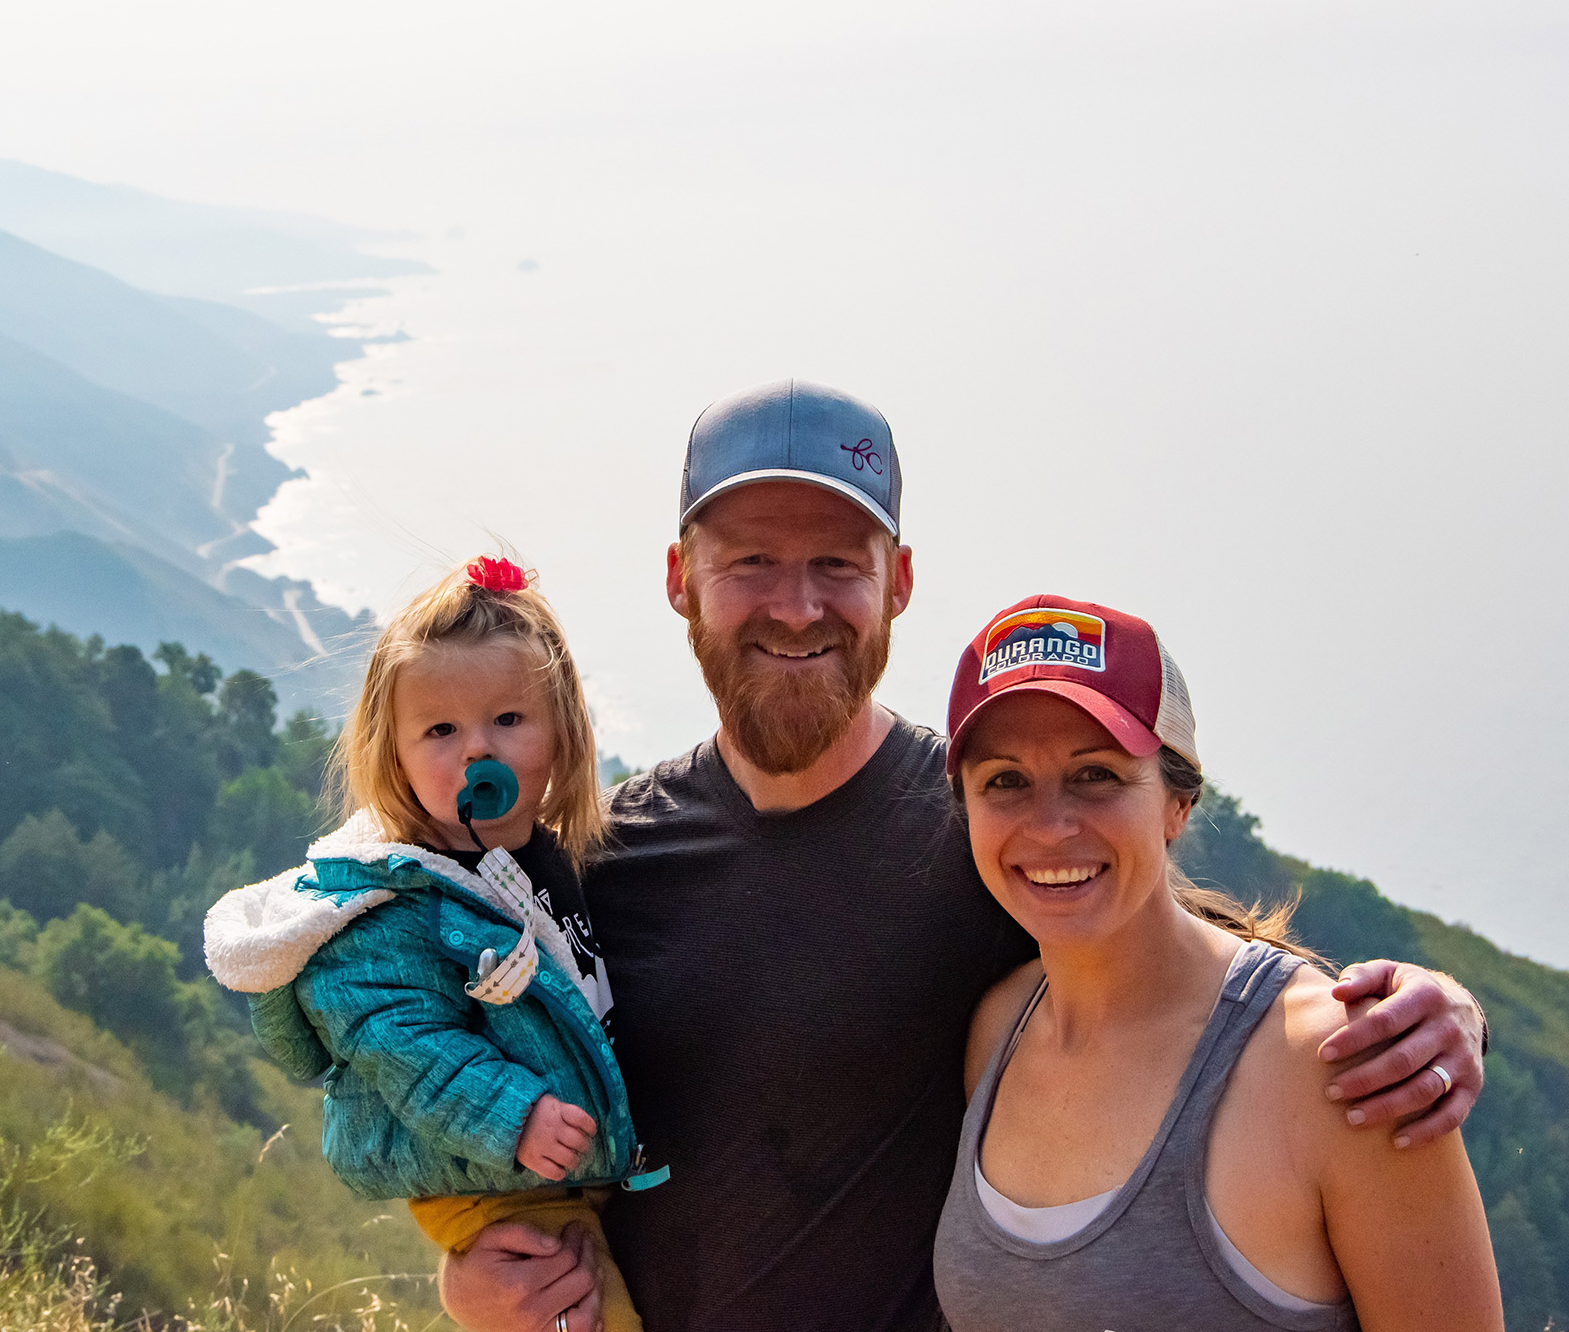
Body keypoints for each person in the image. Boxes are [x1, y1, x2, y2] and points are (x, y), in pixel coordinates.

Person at [433, 379, 1489, 1332]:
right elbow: (477, 1096)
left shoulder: (985, 830)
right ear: (679, 578)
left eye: (837, 564)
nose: (796, 604)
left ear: (896, 581)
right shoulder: (596, 869)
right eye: (751, 560)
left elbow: (1182, 964)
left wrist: (1439, 1006)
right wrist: (469, 1273)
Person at [934, 593, 1503, 1331]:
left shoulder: (1337, 1062)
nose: (1050, 825)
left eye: (1097, 775)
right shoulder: (998, 1030)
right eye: (1005, 780)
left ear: (1180, 802)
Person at [204, 554, 659, 1332]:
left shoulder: (539, 858)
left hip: (553, 1169)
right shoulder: (393, 902)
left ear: (561, 730)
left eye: (508, 720)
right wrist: (515, 1115)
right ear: (398, 756)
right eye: (441, 731)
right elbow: (399, 1042)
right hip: (496, 1179)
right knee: (597, 1315)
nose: (476, 751)